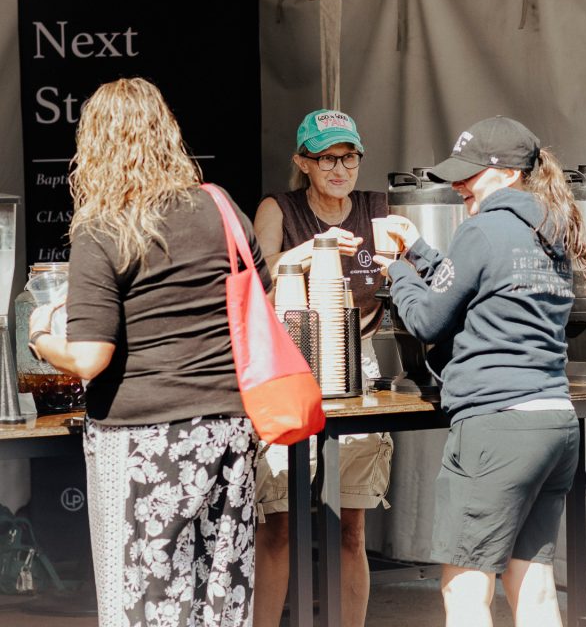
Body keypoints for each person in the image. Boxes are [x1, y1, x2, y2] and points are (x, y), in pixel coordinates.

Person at [28, 77, 270, 627]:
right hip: (230, 427)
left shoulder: (102, 226)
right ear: (168, 133)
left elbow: (90, 357)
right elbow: (259, 296)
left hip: (143, 438)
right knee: (221, 597)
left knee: (142, 598)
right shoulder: (220, 206)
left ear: (93, 146)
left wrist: (42, 337)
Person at [373, 117, 586, 627]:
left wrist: (396, 269)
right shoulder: (553, 227)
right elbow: (482, 288)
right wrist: (420, 253)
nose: (458, 186)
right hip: (554, 423)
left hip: (496, 427)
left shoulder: (481, 230)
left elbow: (429, 318)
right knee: (535, 588)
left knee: (466, 591)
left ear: (508, 174)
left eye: (469, 174)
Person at [253, 108, 393, 627]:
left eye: (349, 157)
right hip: (290, 370)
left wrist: (399, 264)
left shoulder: (380, 208)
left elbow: (422, 266)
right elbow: (257, 287)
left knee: (350, 527)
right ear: (302, 162)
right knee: (279, 526)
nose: (340, 168)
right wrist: (308, 252)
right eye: (327, 158)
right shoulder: (281, 209)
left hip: (360, 368)